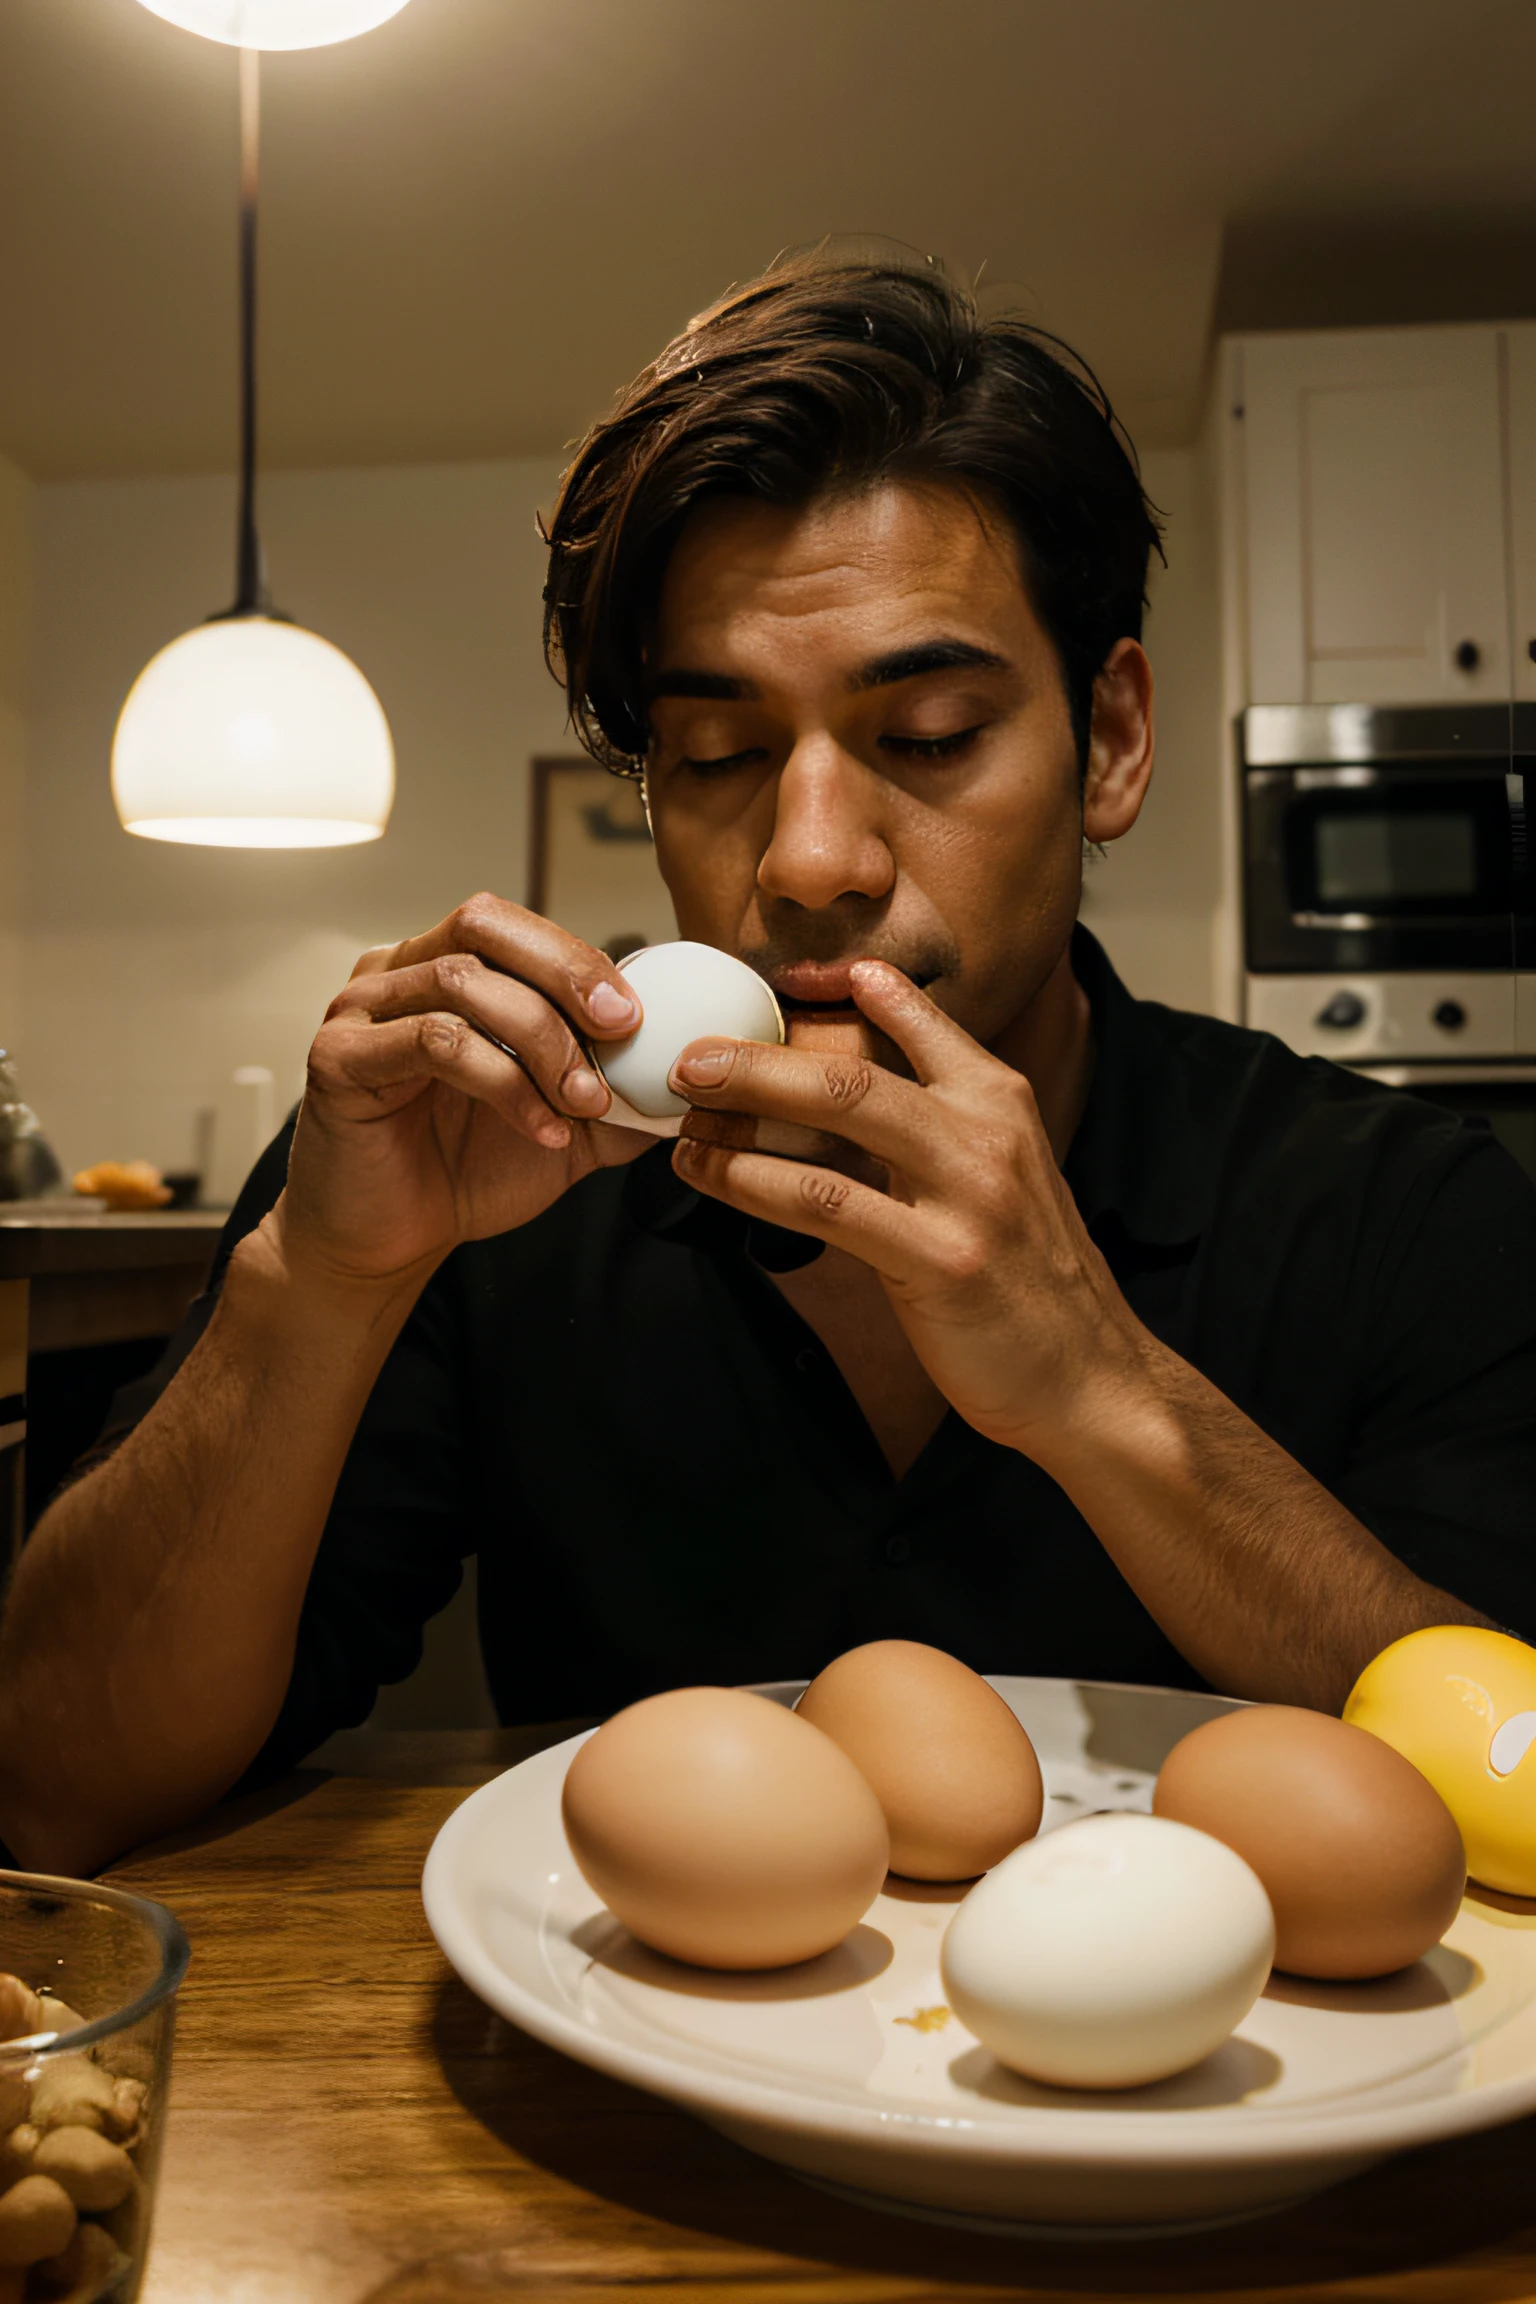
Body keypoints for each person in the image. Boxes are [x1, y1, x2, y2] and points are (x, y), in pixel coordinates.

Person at [1, 257, 1532, 1879]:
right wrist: (317, 1283)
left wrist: (1106, 1395)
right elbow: (51, 1795)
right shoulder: (480, 1173)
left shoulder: (1399, 1211)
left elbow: (1507, 1802)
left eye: (931, 734)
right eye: (719, 755)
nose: (809, 859)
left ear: (1117, 740)